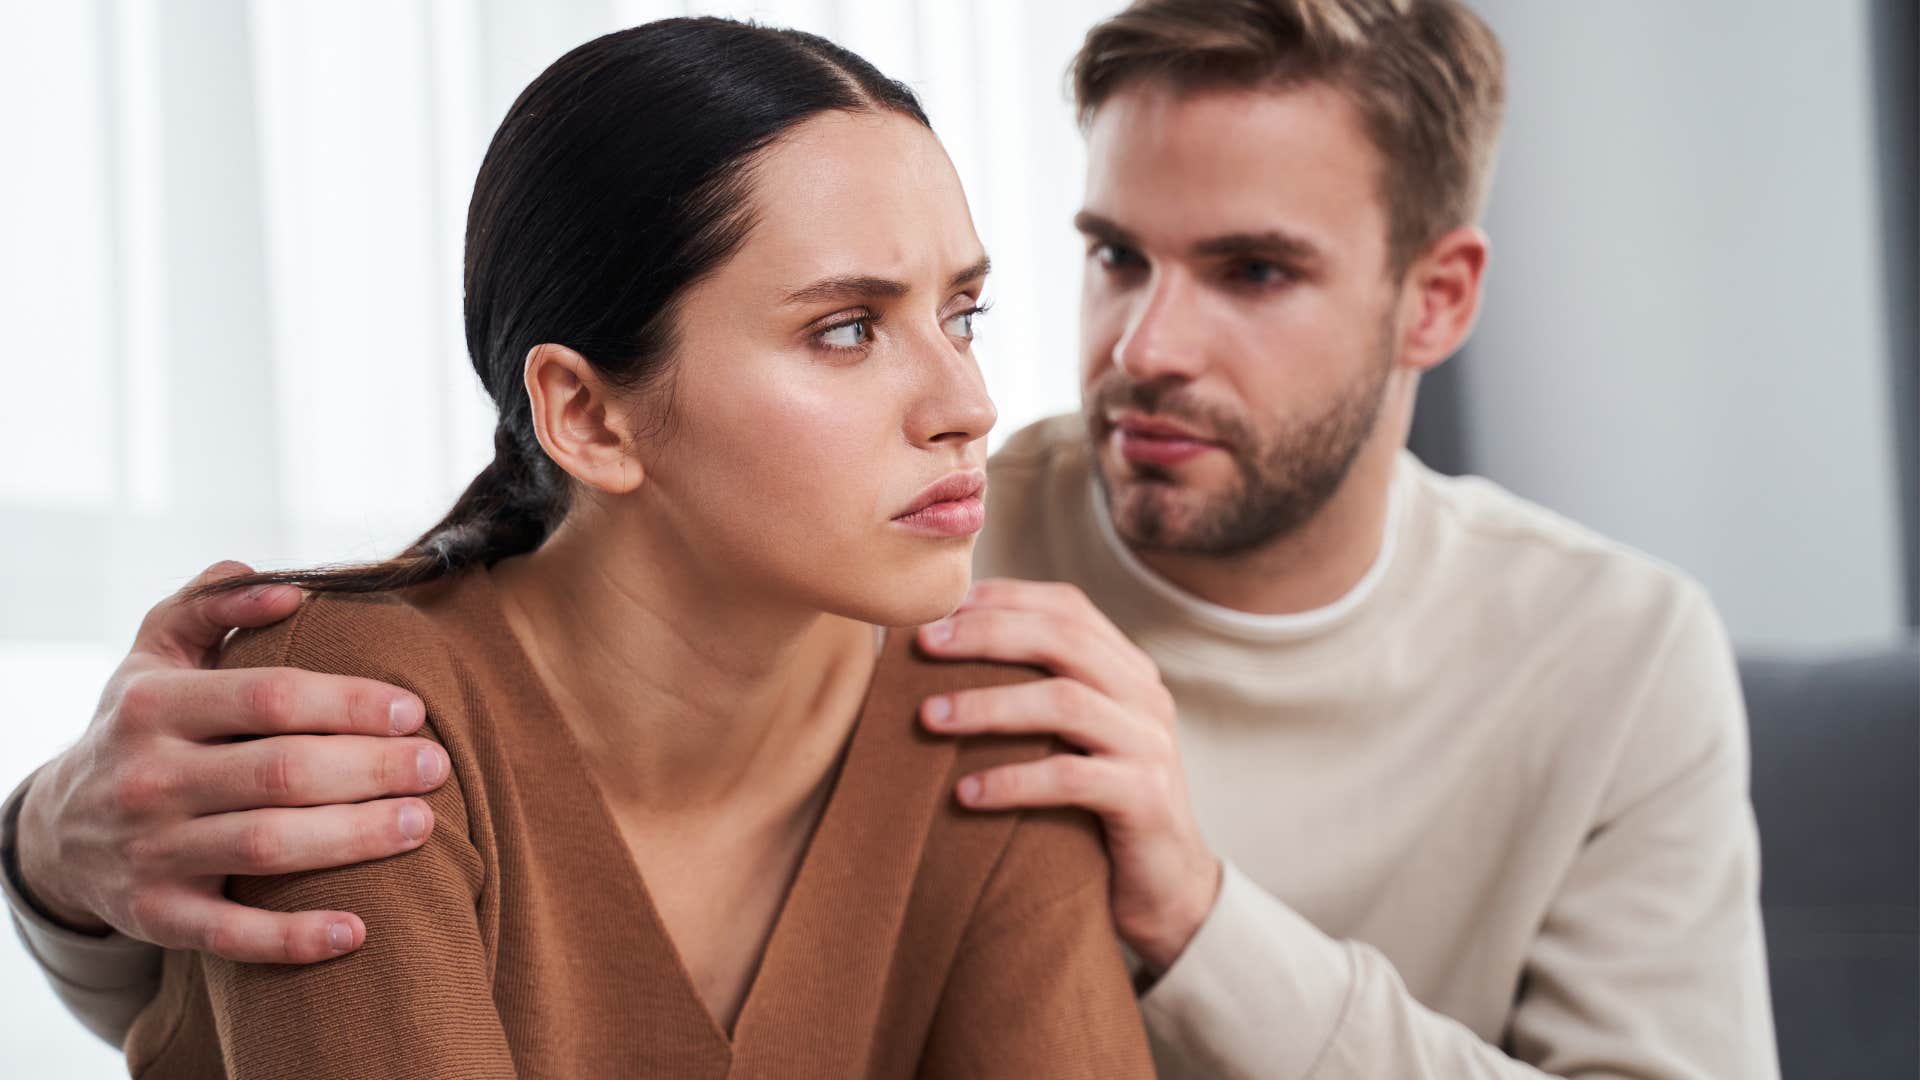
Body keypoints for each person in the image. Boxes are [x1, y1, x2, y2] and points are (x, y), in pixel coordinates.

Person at [6, 2, 1780, 1077]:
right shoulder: (907, 539)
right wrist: (45, 849)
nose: (1135, 348)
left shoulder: (1612, 656)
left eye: (1253, 270)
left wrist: (1201, 919)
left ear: (1434, 299)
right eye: (1106, 258)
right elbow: (531, 613)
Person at [10, 17, 1159, 1080]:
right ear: (589, 416)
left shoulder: (995, 730)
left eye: (963, 315)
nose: (970, 402)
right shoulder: (351, 712)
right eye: (846, 330)